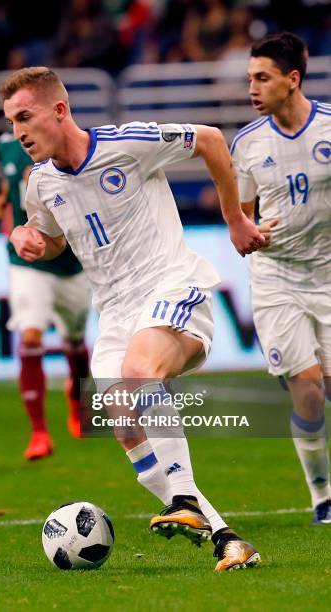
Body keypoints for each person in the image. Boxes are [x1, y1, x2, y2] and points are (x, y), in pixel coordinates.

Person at [1, 66, 267, 570]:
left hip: (172, 285)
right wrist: (25, 238)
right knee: (123, 423)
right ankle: (226, 538)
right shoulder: (39, 183)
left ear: (59, 111)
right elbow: (50, 236)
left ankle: (183, 498)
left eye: (25, 117)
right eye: (12, 122)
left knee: (138, 375)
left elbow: (210, 140)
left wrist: (235, 218)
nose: (18, 133)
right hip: (117, 311)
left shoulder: (127, 144)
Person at [231, 32, 331, 525]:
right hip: (276, 279)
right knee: (309, 389)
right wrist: (249, 234)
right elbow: (242, 218)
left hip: (329, 274)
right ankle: (322, 496)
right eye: (250, 78)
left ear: (292, 80)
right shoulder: (247, 145)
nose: (253, 87)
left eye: (262, 77)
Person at [0, 132, 91, 459]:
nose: (20, 126)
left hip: (72, 263)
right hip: (27, 261)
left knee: (75, 342)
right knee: (30, 336)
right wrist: (2, 202)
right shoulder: (8, 146)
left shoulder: (72, 145)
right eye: (13, 117)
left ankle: (77, 402)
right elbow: (10, 185)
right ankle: (39, 433)